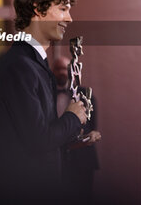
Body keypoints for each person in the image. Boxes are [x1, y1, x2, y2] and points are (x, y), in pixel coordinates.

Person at [0, 0, 87, 202]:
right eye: (63, 9)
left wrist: (74, 135)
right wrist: (72, 117)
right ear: (38, 9)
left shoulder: (34, 63)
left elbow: (36, 134)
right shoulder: (20, 65)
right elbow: (38, 140)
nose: (70, 19)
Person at [52, 56, 101, 204]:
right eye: (58, 68)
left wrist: (93, 135)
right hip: (56, 157)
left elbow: (92, 127)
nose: (62, 72)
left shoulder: (86, 94)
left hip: (82, 158)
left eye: (65, 68)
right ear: (52, 71)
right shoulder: (46, 94)